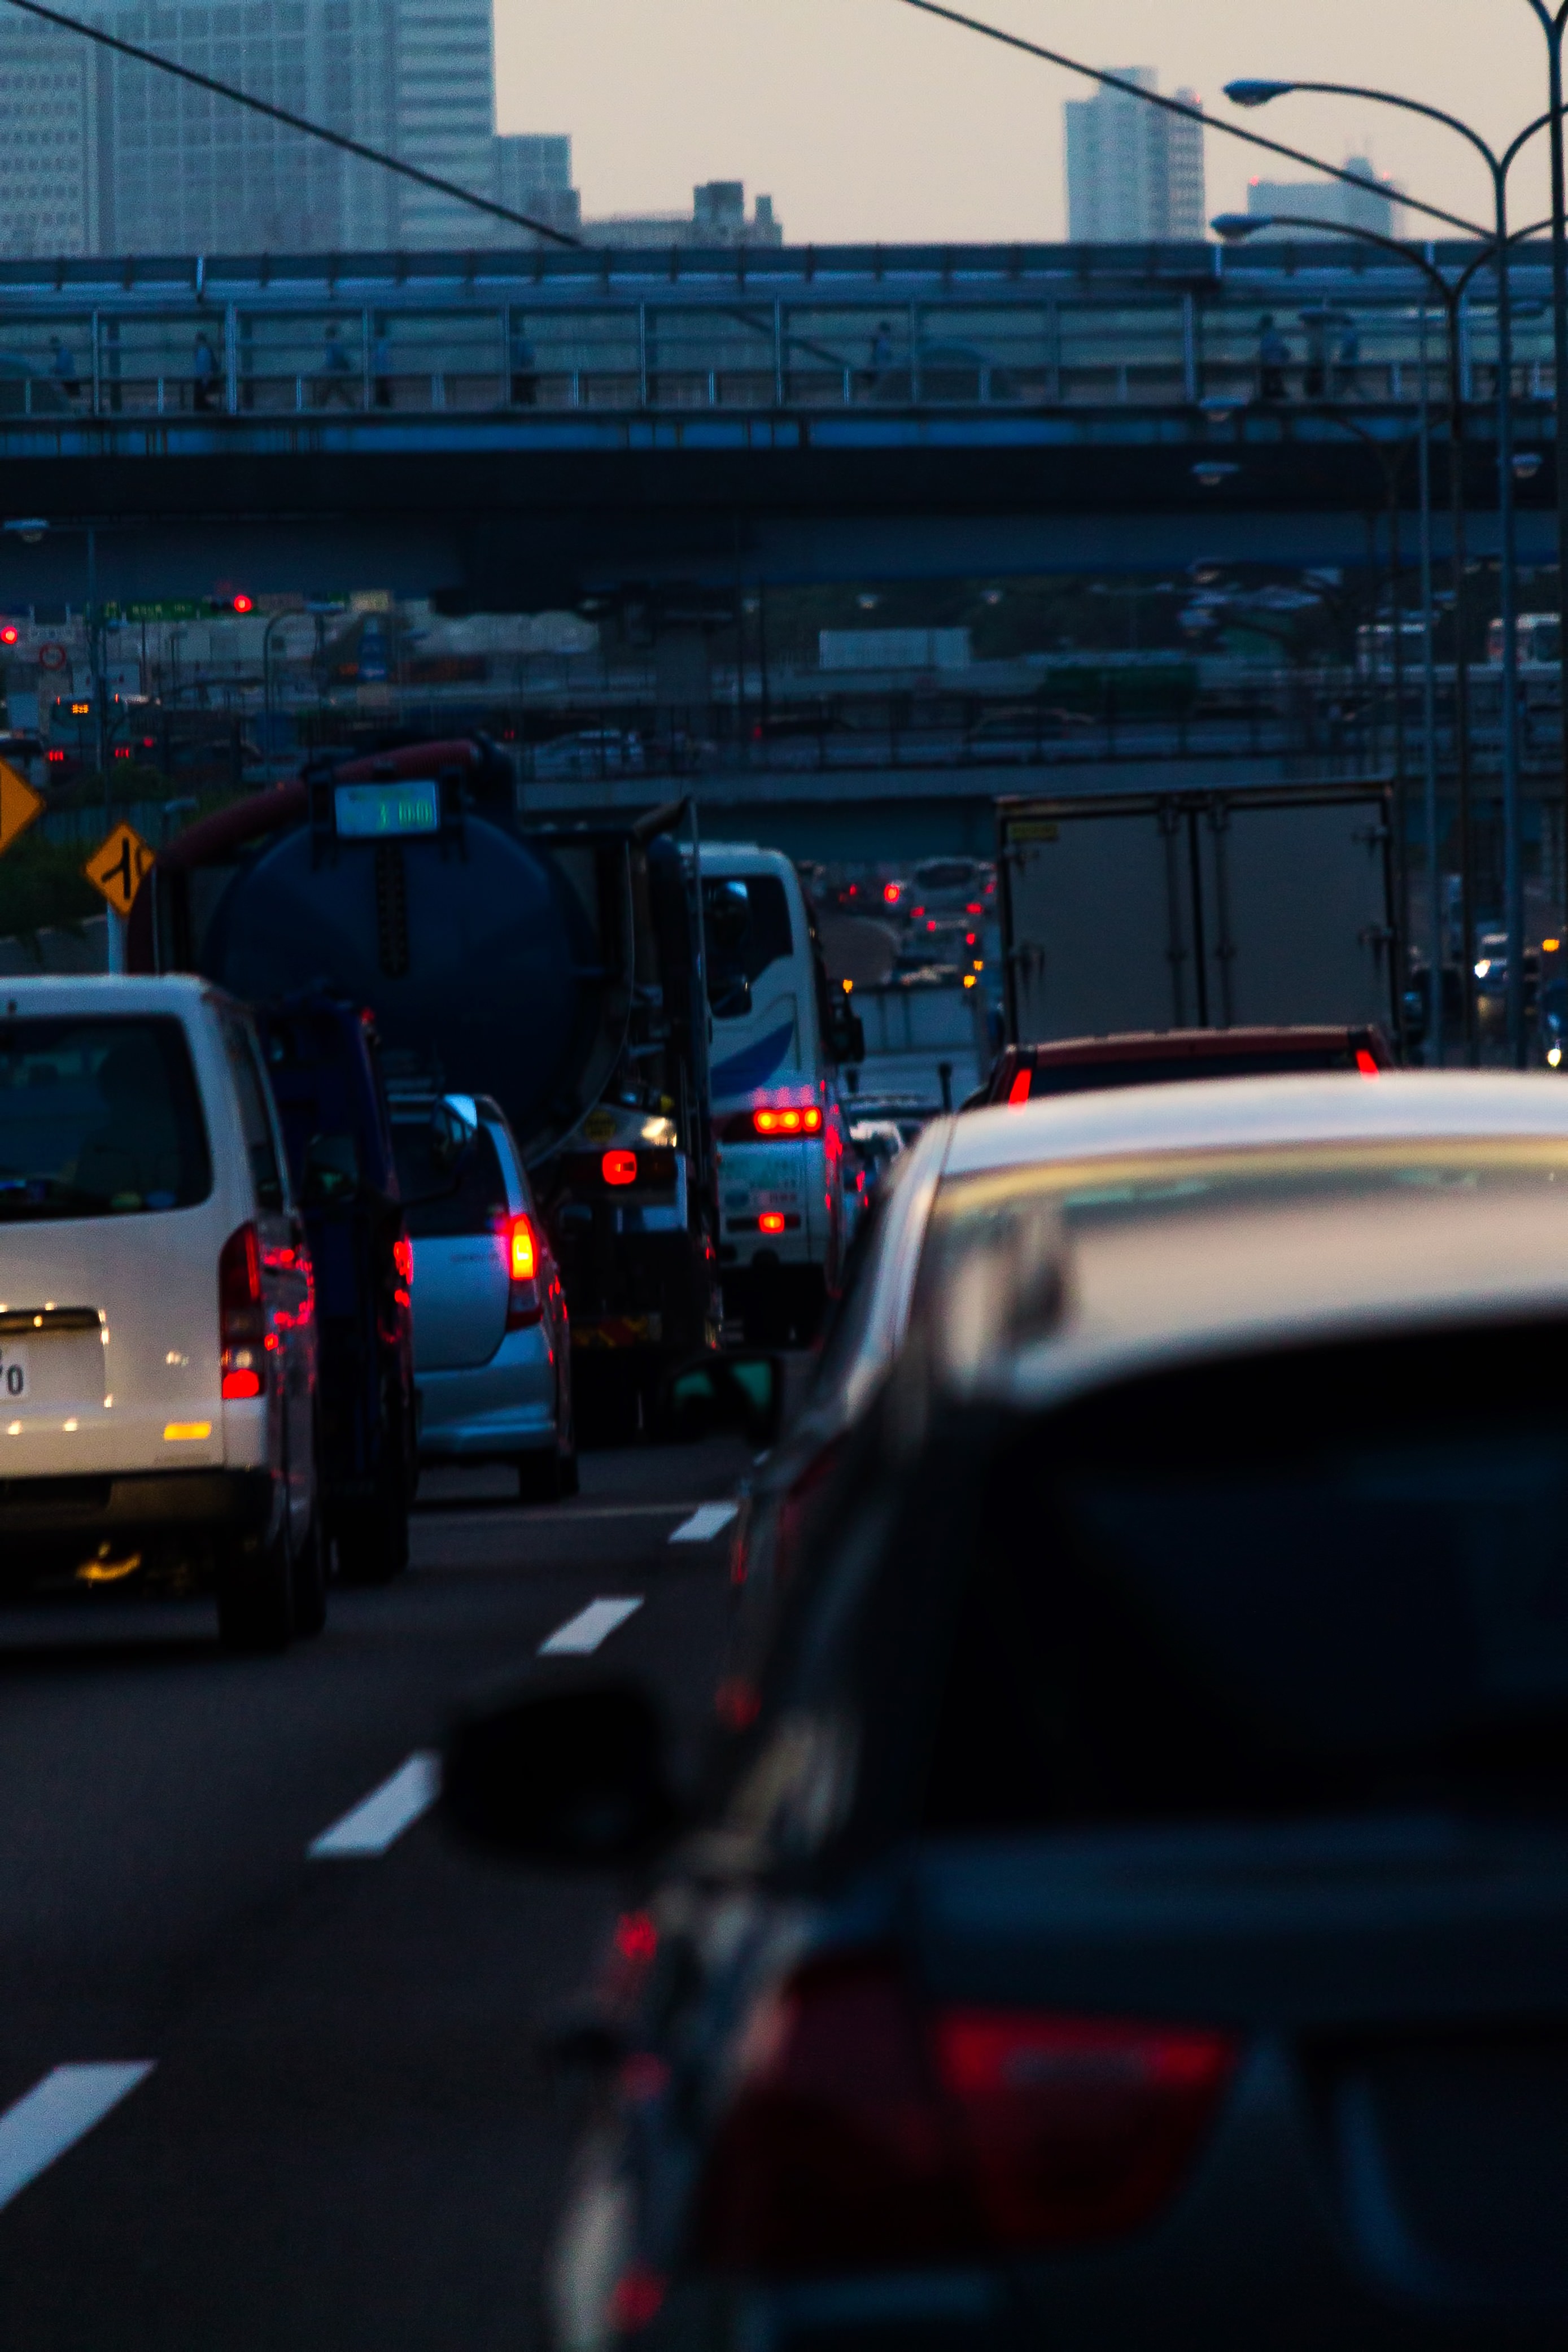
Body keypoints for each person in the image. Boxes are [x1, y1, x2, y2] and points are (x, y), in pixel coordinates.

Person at [316, 322, 356, 408]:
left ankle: (320, 406)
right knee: (337, 389)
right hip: (336, 370)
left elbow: (336, 360)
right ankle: (352, 406)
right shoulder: (335, 344)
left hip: (335, 371)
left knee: (332, 388)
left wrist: (327, 369)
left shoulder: (333, 344)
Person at [1257, 313, 1290, 402]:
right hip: (1276, 361)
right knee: (1275, 378)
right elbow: (1282, 349)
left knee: (1269, 378)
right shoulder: (1274, 334)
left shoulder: (1267, 335)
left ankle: (1269, 394)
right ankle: (1278, 393)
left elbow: (1264, 350)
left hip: (1271, 362)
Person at [509, 323, 538, 407]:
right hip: (524, 375)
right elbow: (530, 358)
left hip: (522, 375)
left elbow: (529, 359)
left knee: (522, 394)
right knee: (527, 395)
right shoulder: (525, 343)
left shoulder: (518, 344)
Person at [192, 330, 220, 413]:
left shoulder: (201, 350)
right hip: (205, 375)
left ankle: (201, 405)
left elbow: (203, 365)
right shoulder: (206, 350)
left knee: (201, 390)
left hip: (204, 376)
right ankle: (202, 404)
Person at [48, 333, 80, 406]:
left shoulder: (63, 354)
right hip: (69, 382)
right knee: (72, 403)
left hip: (70, 382)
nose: (51, 349)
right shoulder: (63, 353)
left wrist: (51, 370)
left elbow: (60, 368)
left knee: (72, 403)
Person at [866, 319, 894, 395]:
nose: (876, 333)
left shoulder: (883, 345)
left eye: (878, 331)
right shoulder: (882, 344)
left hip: (880, 372)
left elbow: (881, 359)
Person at [371, 328, 394, 410]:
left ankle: (383, 402)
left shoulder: (379, 344)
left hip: (381, 370)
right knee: (382, 386)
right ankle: (384, 402)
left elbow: (378, 357)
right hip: (383, 370)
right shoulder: (384, 343)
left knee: (381, 386)